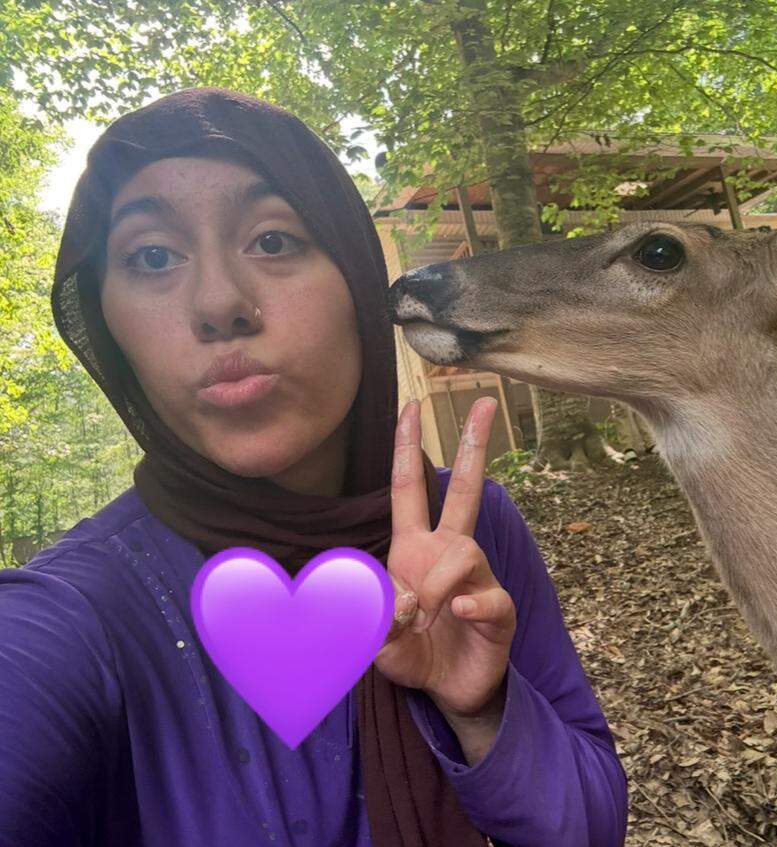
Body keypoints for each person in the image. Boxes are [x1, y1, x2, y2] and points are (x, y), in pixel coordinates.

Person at [0, 87, 628, 847]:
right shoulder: (74, 613)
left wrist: (484, 706)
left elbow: (589, 826)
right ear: (109, 324)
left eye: (272, 240)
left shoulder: (468, 529)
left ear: (358, 282)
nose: (219, 303)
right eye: (152, 256)